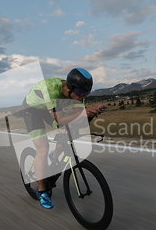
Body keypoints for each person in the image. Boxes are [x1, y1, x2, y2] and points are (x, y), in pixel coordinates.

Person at [21, 68, 104, 209]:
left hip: (50, 108)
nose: (81, 97)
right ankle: (41, 191)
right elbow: (60, 120)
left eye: (86, 94)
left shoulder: (78, 93)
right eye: (79, 93)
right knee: (42, 148)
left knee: (68, 131)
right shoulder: (51, 90)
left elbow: (79, 118)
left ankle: (54, 158)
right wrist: (83, 113)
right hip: (32, 110)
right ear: (70, 88)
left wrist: (91, 113)